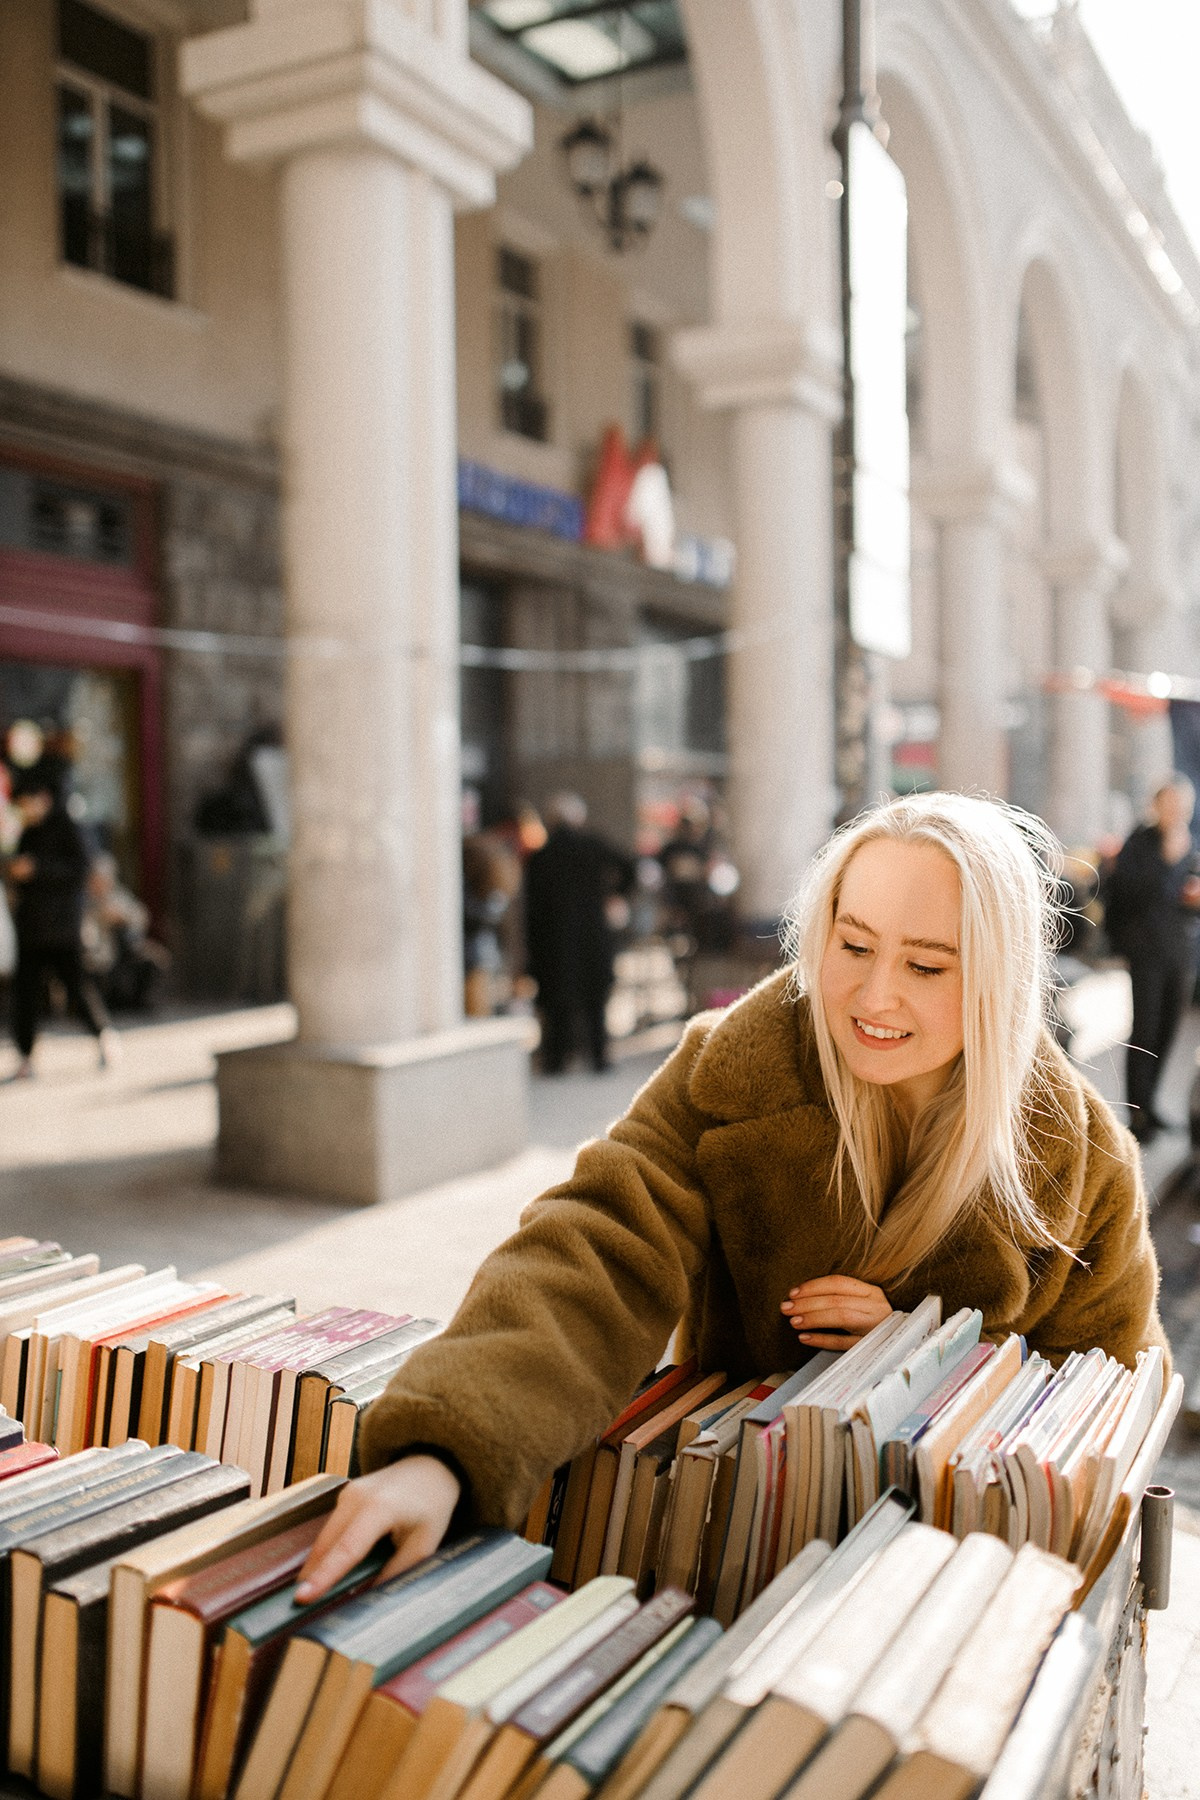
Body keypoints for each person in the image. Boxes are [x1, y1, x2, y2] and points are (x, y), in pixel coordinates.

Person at [295, 793, 1169, 1601]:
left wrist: (928, 1359)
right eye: (853, 945)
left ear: (1000, 977)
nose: (873, 997)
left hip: (954, 1591)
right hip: (730, 1551)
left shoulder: (1080, 1155)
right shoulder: (733, 1070)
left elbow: (1107, 1400)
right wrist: (447, 1449)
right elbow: (596, 1246)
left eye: (928, 967)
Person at [1103, 777, 1200, 1142]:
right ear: (1156, 806)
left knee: (1168, 1031)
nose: (1176, 811)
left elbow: (1183, 896)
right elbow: (1129, 893)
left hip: (1180, 950)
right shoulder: (1141, 842)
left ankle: (1152, 1104)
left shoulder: (1189, 842)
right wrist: (1167, 862)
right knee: (1145, 1029)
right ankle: (1137, 1115)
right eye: (1170, 803)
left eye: (1182, 805)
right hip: (1146, 951)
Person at [6, 772, 118, 1078]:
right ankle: (26, 1055)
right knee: (26, 994)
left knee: (76, 986)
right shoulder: (24, 831)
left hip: (62, 925)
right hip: (31, 926)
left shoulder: (67, 826)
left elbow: (80, 869)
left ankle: (103, 1036)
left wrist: (38, 870)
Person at [523, 793, 634, 1075]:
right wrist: (615, 896)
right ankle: (598, 1057)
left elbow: (531, 909)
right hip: (592, 936)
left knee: (556, 1003)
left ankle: (556, 1060)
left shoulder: (541, 857)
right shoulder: (592, 846)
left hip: (553, 941)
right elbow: (630, 867)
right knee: (595, 1001)